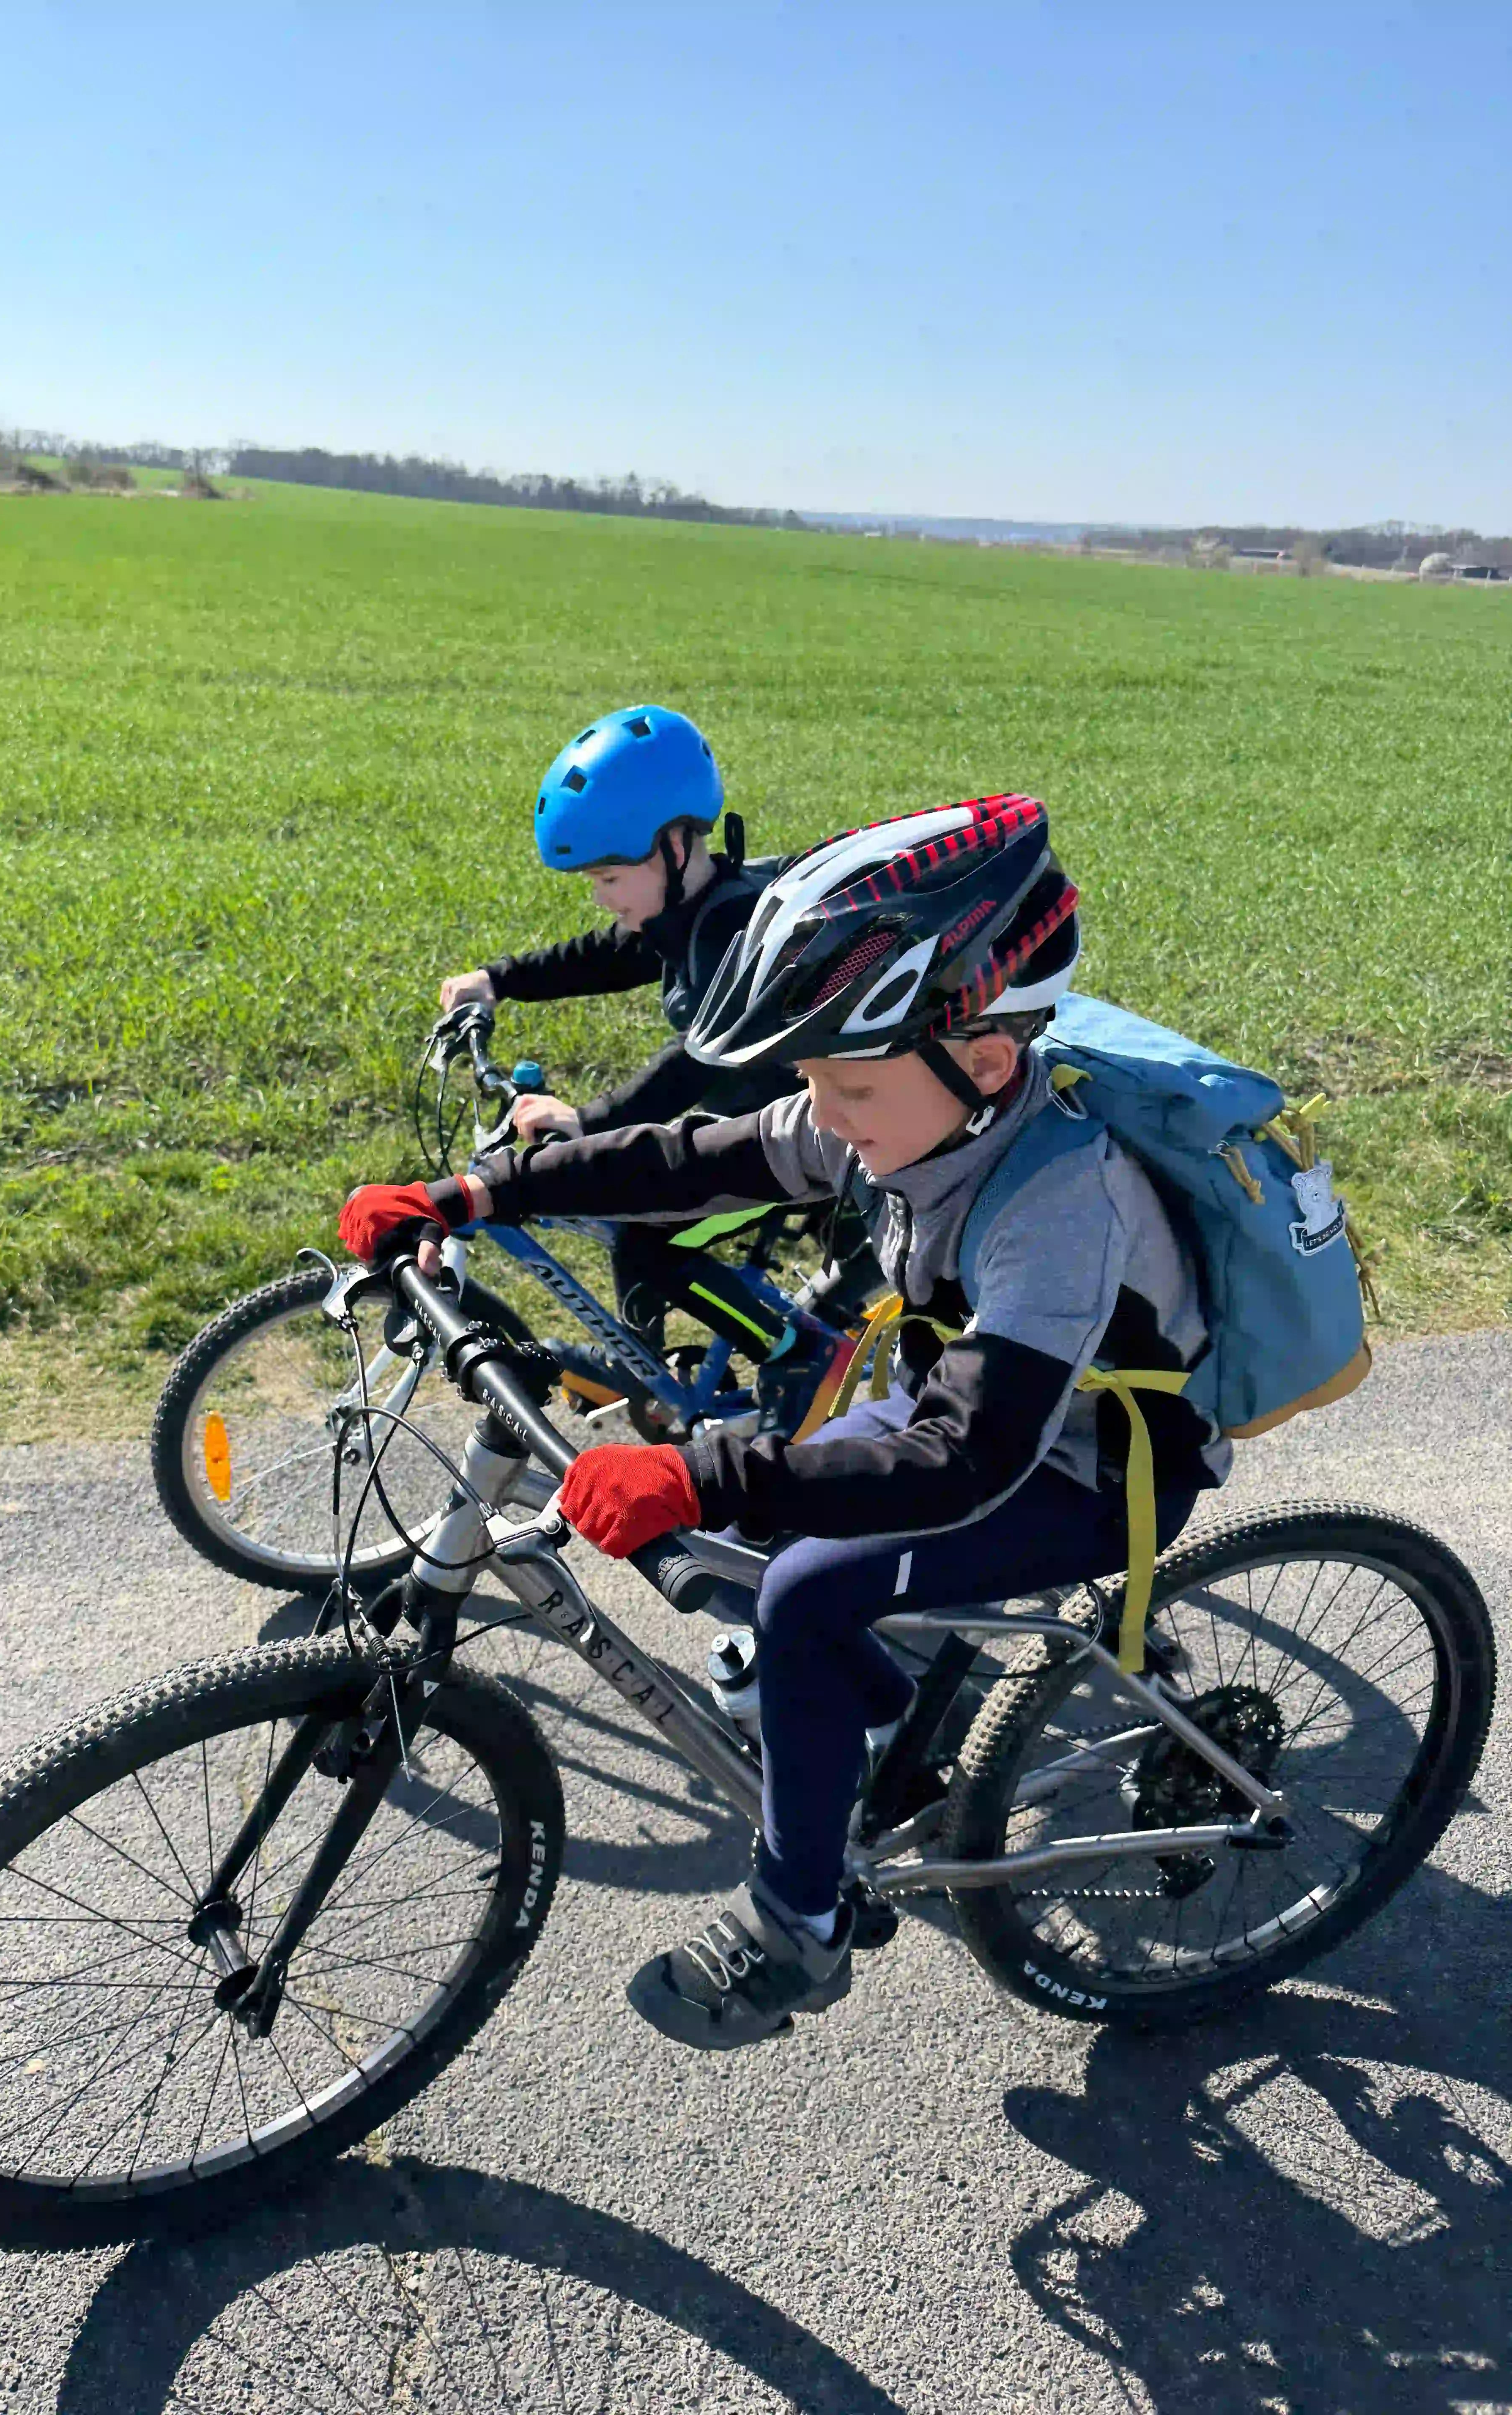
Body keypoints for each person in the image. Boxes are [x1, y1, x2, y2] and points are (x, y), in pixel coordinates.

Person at [341, 794, 1233, 2052]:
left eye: (846, 1085)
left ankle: (799, 1923)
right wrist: (478, 1193)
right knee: (777, 1544)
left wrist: (701, 1475)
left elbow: (962, 1461)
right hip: (972, 1398)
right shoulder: (896, 1108)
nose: (824, 1113)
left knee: (807, 1590)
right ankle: (872, 1712)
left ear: (985, 1063)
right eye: (810, 1080)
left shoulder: (1060, 1207)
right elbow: (688, 1158)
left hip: (1084, 1467)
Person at [438, 702, 866, 1434]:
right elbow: (605, 957)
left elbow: (693, 1063)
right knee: (629, 1197)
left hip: (800, 1140)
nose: (602, 897)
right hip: (749, 1122)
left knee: (646, 1232)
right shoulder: (692, 911)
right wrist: (498, 980)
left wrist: (589, 1121)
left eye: (609, 877)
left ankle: (801, 1354)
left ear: (673, 844)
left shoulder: (734, 928)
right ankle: (648, 1374)